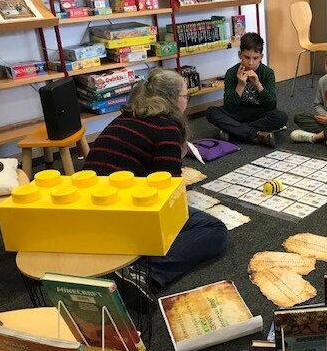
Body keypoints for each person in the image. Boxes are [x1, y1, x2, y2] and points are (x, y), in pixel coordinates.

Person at [84, 68, 228, 300]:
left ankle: (128, 259)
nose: (186, 100)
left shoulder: (124, 117)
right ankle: (144, 271)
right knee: (214, 230)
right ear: (172, 99)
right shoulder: (165, 127)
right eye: (185, 96)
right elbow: (167, 193)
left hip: (89, 212)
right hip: (123, 216)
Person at [205, 32, 287, 147]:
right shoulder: (231, 72)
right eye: (247, 57)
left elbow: (271, 104)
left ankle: (234, 131)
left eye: (255, 58)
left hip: (259, 113)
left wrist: (258, 84)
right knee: (211, 112)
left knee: (281, 117)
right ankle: (256, 134)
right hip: (238, 113)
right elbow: (229, 106)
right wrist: (241, 85)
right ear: (240, 55)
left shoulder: (267, 73)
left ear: (261, 57)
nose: (251, 62)